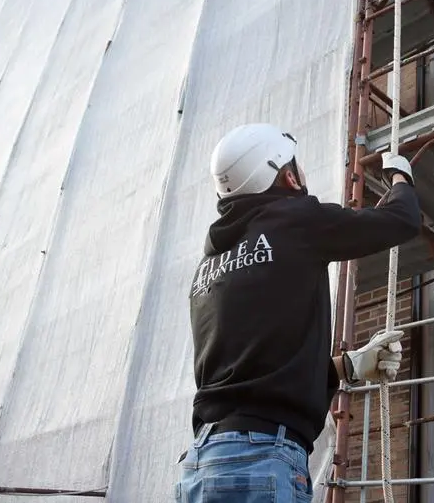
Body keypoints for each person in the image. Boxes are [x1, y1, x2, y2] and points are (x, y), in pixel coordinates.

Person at [174, 123, 421, 502]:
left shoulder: (208, 268)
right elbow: (400, 220)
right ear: (288, 177)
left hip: (201, 464)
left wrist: (350, 366)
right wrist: (401, 177)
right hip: (263, 459)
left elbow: (258, 373)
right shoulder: (295, 221)